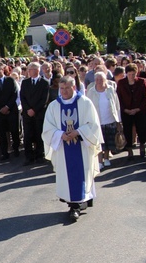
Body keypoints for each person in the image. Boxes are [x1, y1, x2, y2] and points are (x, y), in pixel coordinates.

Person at [43, 76, 102, 221]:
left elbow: (93, 125)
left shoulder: (85, 103)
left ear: (74, 87)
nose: (64, 91)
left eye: (67, 88)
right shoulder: (54, 106)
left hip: (81, 146)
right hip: (63, 148)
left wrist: (78, 132)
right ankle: (74, 205)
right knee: (68, 176)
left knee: (82, 173)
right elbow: (47, 128)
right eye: (61, 88)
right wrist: (60, 134)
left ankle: (78, 204)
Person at [86, 71, 121, 169]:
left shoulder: (110, 89)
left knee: (108, 141)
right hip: (97, 121)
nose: (99, 81)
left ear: (105, 80)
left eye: (101, 79)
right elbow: (88, 107)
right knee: (99, 142)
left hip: (110, 119)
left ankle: (106, 158)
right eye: (97, 79)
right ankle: (99, 161)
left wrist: (118, 120)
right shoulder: (91, 91)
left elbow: (117, 104)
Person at [20, 62, 51, 165]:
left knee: (39, 134)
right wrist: (28, 109)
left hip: (39, 113)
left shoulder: (44, 83)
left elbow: (44, 100)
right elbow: (22, 97)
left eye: (32, 69)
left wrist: (34, 110)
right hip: (27, 114)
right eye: (29, 69)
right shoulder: (25, 83)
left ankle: (40, 155)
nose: (29, 71)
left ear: (37, 70)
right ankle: (28, 156)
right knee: (28, 135)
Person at [117, 64, 146, 160]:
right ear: (126, 74)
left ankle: (142, 145)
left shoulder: (142, 82)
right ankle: (129, 150)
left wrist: (138, 109)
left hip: (138, 110)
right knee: (127, 130)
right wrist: (125, 109)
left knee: (141, 128)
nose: (131, 76)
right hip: (126, 111)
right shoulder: (121, 83)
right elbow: (118, 98)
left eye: (133, 74)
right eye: (129, 74)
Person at [0, 65, 21, 160]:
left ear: (2, 70)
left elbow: (14, 94)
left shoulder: (10, 80)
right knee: (1, 133)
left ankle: (16, 149)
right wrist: (1, 108)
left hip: (11, 110)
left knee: (14, 131)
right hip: (0, 113)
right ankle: (4, 152)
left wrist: (7, 107)